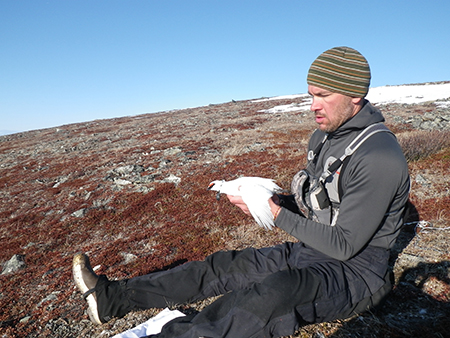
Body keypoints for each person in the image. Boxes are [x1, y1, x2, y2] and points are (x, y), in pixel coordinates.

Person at [73, 46, 410, 338]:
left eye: (323, 95)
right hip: (312, 250)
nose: (313, 106)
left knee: (270, 295)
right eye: (311, 94)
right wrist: (268, 202)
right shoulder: (323, 138)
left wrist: (275, 214)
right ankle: (111, 299)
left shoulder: (378, 155)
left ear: (354, 94)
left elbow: (345, 243)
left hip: (356, 274)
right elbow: (317, 208)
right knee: (223, 266)